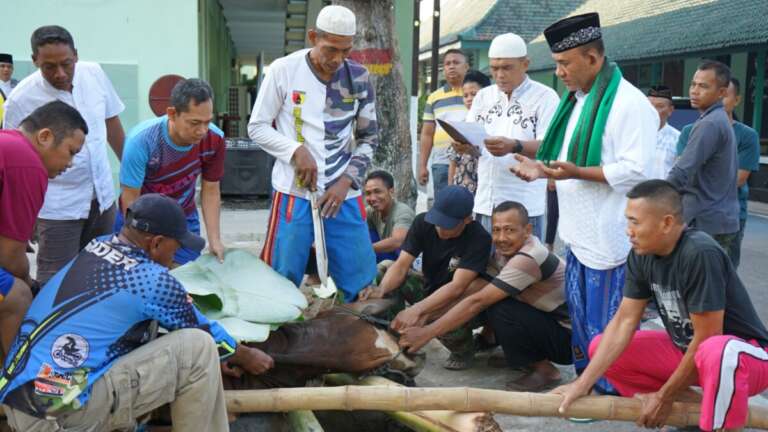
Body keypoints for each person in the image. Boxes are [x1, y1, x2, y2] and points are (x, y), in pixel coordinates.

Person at [0, 194, 274, 431]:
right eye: (176, 248)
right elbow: (207, 333)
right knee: (198, 348)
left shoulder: (98, 247)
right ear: (155, 243)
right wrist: (245, 355)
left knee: (143, 332)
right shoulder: (150, 280)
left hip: (19, 401)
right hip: (59, 415)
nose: (175, 257)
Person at [511, 13, 658, 393]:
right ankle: (587, 384)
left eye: (564, 63)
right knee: (581, 320)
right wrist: (541, 170)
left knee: (609, 325)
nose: (558, 72)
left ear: (593, 59)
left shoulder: (629, 103)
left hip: (611, 238)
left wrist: (576, 173)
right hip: (578, 235)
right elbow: (567, 162)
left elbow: (636, 171)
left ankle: (610, 391)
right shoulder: (577, 102)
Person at [554, 180, 768, 432]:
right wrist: (582, 384)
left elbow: (708, 336)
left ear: (666, 223)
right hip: (692, 354)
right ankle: (699, 413)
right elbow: (624, 321)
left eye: (635, 221)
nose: (628, 231)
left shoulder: (699, 253)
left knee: (715, 350)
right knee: (600, 346)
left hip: (745, 359)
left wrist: (663, 395)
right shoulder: (640, 254)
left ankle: (718, 424)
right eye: (627, 221)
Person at [248, 5, 378, 301]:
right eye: (330, 49)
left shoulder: (359, 77)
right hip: (294, 192)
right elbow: (256, 127)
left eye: (345, 50)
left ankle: (361, 341)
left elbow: (370, 138)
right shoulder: (284, 70)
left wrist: (346, 182)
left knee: (361, 283)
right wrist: (295, 150)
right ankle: (276, 342)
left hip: (343, 195)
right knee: (279, 279)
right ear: (312, 37)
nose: (337, 59)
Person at [399, 201, 572, 391]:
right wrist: (425, 315)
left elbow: (478, 301)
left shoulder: (529, 257)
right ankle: (512, 352)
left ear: (527, 230)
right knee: (489, 293)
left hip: (569, 338)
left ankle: (545, 370)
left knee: (498, 306)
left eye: (510, 230)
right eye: (496, 230)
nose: (501, 237)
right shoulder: (499, 253)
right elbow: (475, 287)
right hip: (547, 321)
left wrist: (426, 332)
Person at [2, 25, 126, 285]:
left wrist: (128, 176)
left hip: (101, 196)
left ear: (76, 56)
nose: (59, 73)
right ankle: (51, 326)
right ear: (35, 60)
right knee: (56, 283)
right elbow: (16, 162)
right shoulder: (21, 98)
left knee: (99, 274)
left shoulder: (94, 74)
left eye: (66, 64)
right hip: (57, 206)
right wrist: (22, 223)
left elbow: (112, 121)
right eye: (48, 66)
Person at [359, 185, 492, 370]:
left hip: (458, 301)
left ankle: (463, 350)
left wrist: (418, 310)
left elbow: (458, 287)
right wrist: (381, 290)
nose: (440, 229)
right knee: (385, 270)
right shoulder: (423, 222)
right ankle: (395, 336)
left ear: (467, 220)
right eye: (437, 221)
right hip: (429, 287)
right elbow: (402, 264)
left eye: (448, 224)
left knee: (436, 314)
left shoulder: (479, 238)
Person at [0, 101, 87, 357]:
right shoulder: (27, 163)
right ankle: (17, 387)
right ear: (45, 137)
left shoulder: (9, 141)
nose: (70, 164)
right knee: (19, 296)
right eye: (71, 152)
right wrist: (30, 283)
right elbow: (9, 255)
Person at [118, 78, 226, 265]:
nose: (202, 131)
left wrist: (214, 240)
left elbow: (211, 190)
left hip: (183, 216)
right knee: (139, 273)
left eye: (207, 122)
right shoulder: (142, 141)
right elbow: (130, 197)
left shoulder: (215, 139)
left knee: (185, 277)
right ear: (172, 114)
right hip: (141, 217)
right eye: (194, 123)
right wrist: (138, 242)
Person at [462, 33, 560, 237]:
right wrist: (465, 146)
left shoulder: (545, 97)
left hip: (523, 207)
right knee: (485, 267)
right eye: (494, 68)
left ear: (525, 64)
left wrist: (514, 145)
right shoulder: (483, 96)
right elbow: (473, 139)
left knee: (523, 267)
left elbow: (551, 147)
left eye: (507, 68)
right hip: (485, 202)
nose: (499, 75)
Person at [677, 77, 759, 268]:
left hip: (727, 216)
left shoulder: (747, 135)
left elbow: (738, 179)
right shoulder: (689, 131)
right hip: (693, 213)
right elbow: (682, 168)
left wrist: (699, 168)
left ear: (736, 100)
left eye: (725, 96)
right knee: (690, 272)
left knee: (723, 273)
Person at [668, 60, 739, 254]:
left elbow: (682, 170)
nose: (695, 91)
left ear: (722, 93)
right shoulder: (716, 119)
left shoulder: (710, 124)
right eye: (693, 84)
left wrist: (652, 198)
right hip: (716, 219)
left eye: (703, 86)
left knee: (698, 282)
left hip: (706, 221)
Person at [419, 49, 470, 199]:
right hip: (441, 163)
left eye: (456, 63)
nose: (451, 67)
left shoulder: (476, 94)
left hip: (468, 162)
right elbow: (427, 134)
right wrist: (423, 165)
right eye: (447, 64)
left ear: (466, 67)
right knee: (443, 206)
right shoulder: (434, 97)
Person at [447, 70, 490, 194]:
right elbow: (453, 162)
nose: (469, 99)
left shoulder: (492, 125)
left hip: (484, 189)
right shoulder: (460, 125)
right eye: (465, 96)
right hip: (461, 189)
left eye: (474, 94)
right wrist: (450, 189)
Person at [364, 170, 415, 263]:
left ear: (391, 191)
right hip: (386, 255)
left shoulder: (403, 212)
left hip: (406, 261)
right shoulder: (371, 211)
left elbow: (397, 241)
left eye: (377, 191)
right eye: (368, 193)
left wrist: (362, 250)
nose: (372, 198)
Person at [647, 85, 680, 179]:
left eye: (659, 106)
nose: (653, 111)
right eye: (649, 106)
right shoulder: (632, 135)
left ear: (670, 110)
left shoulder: (678, 139)